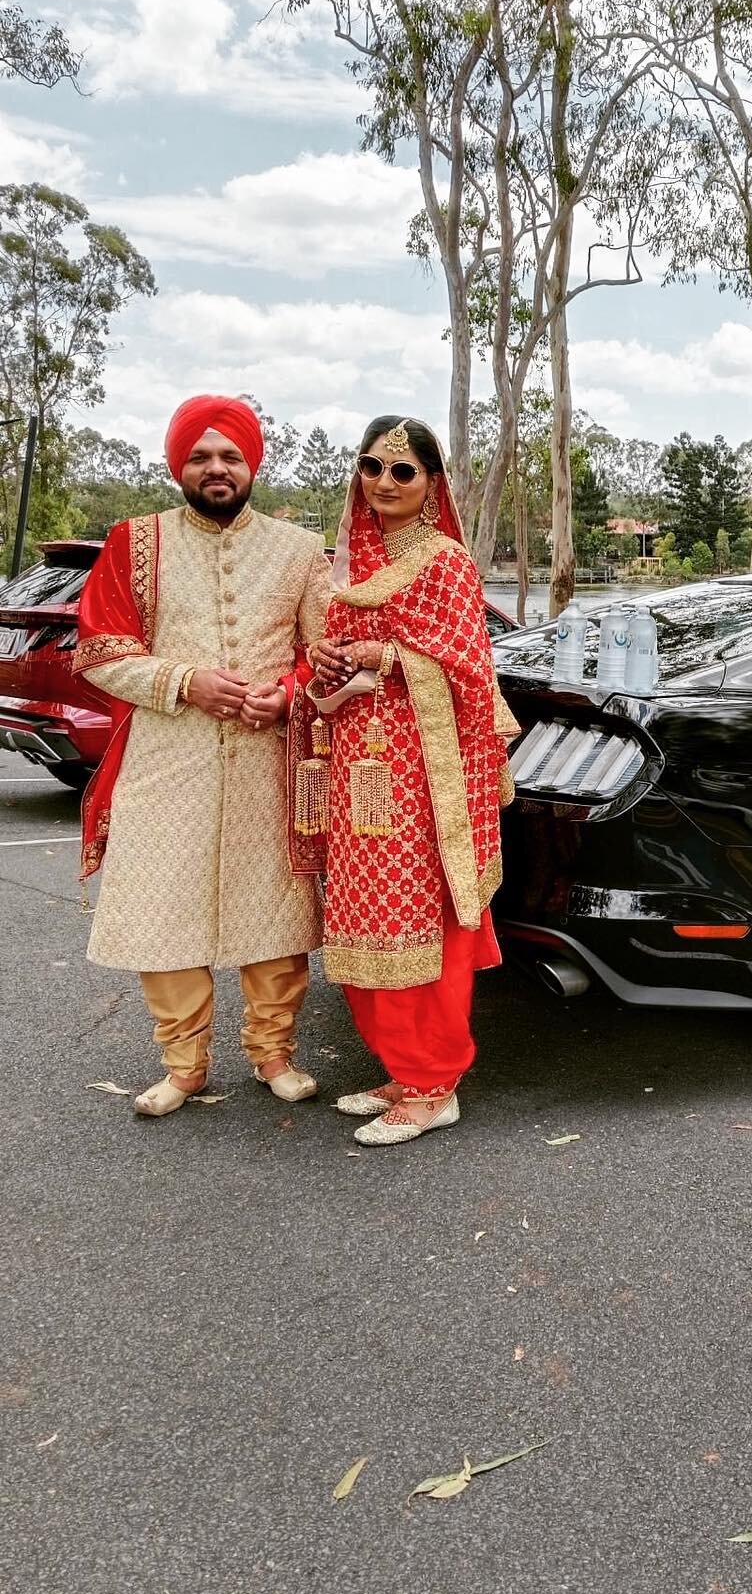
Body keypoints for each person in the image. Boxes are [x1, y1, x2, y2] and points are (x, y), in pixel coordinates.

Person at [77, 395, 331, 1116]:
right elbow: (99, 651)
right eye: (200, 456)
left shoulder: (299, 551)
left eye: (230, 456)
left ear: (251, 465)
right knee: (164, 910)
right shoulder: (135, 542)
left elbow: (326, 656)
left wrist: (286, 695)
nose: (216, 468)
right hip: (167, 759)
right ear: (177, 466)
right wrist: (187, 682)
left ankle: (273, 1053)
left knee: (275, 912)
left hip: (265, 762)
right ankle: (183, 1064)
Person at [298, 415, 519, 1148]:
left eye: (402, 471)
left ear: (431, 485)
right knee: (365, 919)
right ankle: (403, 1066)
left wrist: (383, 655)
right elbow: (331, 668)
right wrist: (328, 669)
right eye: (371, 466)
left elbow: (467, 668)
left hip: (426, 776)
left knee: (418, 921)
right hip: (359, 767)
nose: (383, 483)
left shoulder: (445, 560)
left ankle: (435, 1086)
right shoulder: (351, 565)